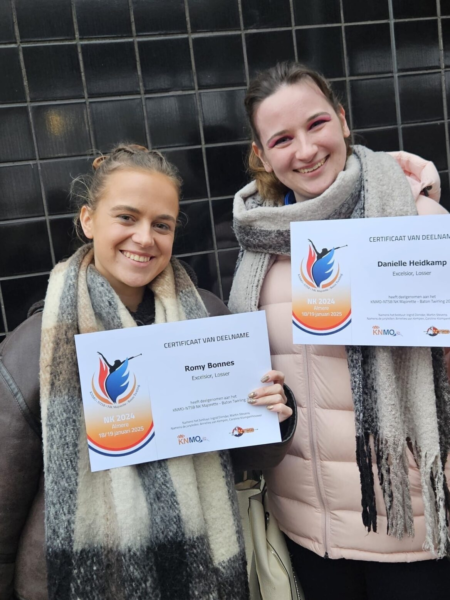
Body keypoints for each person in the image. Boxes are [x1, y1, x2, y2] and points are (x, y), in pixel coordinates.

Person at [0, 144, 295, 600]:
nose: (144, 238)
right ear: (88, 220)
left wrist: (277, 414)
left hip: (203, 575)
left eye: (162, 224)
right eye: (126, 217)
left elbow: (249, 457)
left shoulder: (212, 321)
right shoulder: (34, 347)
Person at [228, 62, 450, 600]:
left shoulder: (416, 220)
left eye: (317, 124)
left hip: (409, 527)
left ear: (343, 121)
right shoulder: (259, 242)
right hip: (308, 528)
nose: (305, 150)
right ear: (261, 154)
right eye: (282, 138)